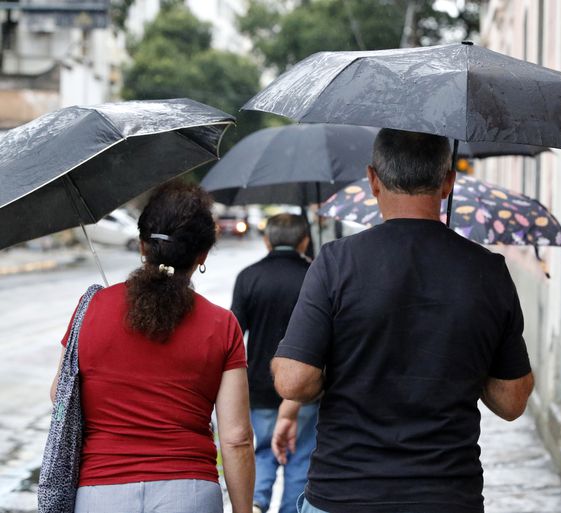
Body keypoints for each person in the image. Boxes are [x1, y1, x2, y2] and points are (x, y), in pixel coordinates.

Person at [270, 128, 535, 513]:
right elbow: (512, 401)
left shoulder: (335, 262)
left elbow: (294, 381)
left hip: (345, 493)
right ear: (448, 182)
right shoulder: (488, 271)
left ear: (373, 180)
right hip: (447, 497)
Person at [50, 181, 255, 513]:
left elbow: (60, 392)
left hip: (100, 492)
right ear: (202, 255)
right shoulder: (222, 325)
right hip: (190, 493)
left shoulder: (90, 309)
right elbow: (236, 438)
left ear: (143, 246)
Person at [230, 213, 317, 513]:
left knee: (264, 450)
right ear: (304, 240)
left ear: (267, 240)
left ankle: (255, 502)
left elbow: (235, 332)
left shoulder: (249, 276)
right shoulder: (315, 276)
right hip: (304, 386)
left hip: (258, 385)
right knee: (300, 454)